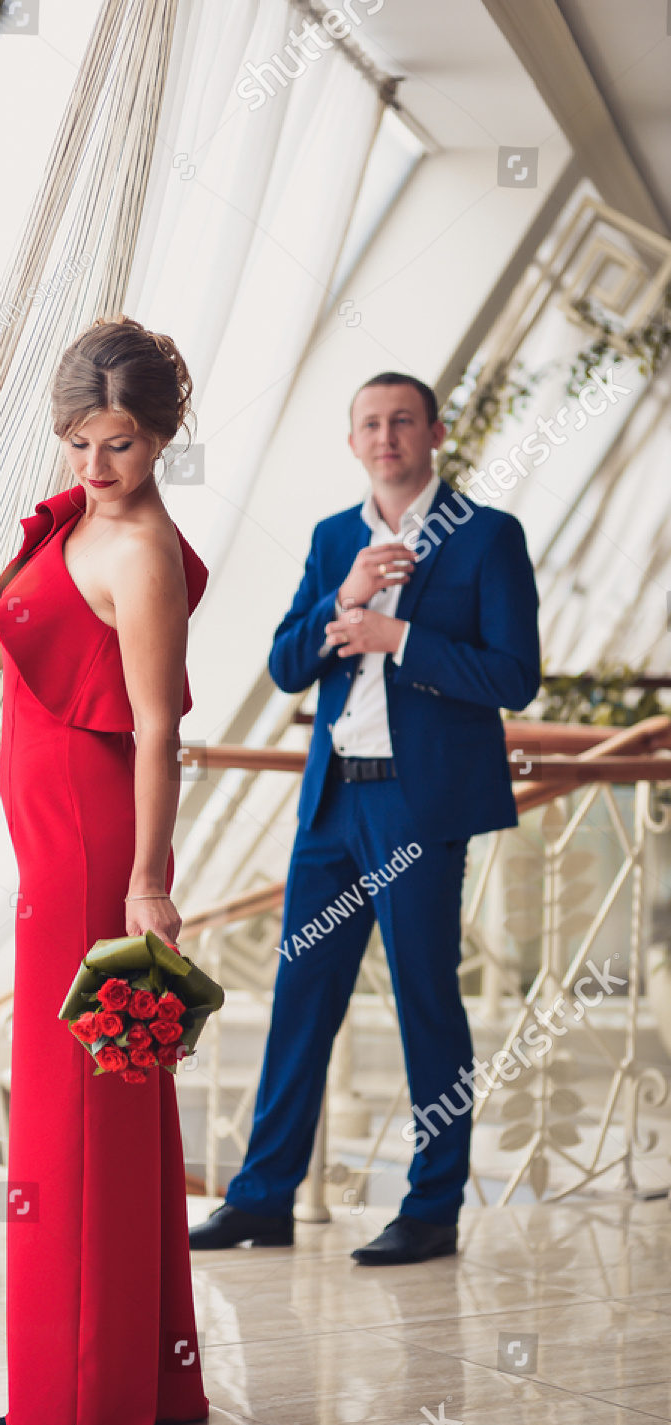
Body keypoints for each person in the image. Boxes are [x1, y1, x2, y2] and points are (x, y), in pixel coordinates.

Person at [189, 372, 540, 1265]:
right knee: (299, 999)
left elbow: (512, 678)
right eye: (368, 424)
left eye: (401, 422)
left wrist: (402, 641)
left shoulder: (488, 538)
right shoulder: (331, 538)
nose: (384, 437)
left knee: (426, 1000)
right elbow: (283, 667)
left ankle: (430, 1209)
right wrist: (340, 603)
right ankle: (262, 1199)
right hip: (332, 801)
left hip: (418, 805)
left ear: (434, 433)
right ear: (351, 442)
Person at [0, 317, 209, 1425]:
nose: (95, 467)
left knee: (77, 1122)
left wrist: (147, 882)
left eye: (119, 445)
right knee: (103, 1104)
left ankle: (83, 1397)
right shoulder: (65, 520)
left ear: (159, 438)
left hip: (97, 858)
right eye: (77, 443)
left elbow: (158, 732)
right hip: (45, 851)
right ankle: (144, 1378)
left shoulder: (141, 552)